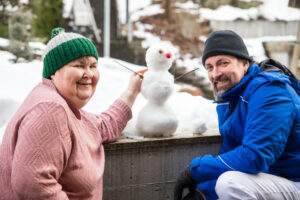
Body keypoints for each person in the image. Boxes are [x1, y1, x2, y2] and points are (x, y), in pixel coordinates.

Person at [0, 27, 144, 200]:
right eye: (79, 65)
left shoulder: (64, 105)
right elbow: (32, 185)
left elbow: (103, 126)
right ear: (54, 72)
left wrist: (132, 91)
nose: (89, 73)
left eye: (93, 66)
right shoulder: (50, 110)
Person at [174, 30, 300, 200]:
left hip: (293, 180)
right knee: (224, 183)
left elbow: (255, 157)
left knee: (230, 183)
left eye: (223, 63)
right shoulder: (231, 99)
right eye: (209, 67)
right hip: (275, 180)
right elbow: (230, 155)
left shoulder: (270, 91)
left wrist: (196, 169)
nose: (215, 74)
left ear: (245, 64)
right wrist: (204, 194)